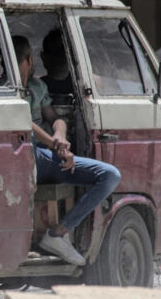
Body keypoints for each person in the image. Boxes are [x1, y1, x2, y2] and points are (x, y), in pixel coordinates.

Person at [13, 35, 121, 266]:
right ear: (31, 59)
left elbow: (55, 119)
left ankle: (58, 233)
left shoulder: (37, 88)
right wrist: (55, 146)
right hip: (25, 155)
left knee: (109, 175)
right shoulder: (4, 90)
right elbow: (22, 122)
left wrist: (59, 139)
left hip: (47, 156)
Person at [40, 28, 74, 96]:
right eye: (55, 52)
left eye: (64, 52)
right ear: (43, 56)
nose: (60, 58)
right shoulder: (37, 89)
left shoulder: (82, 85)